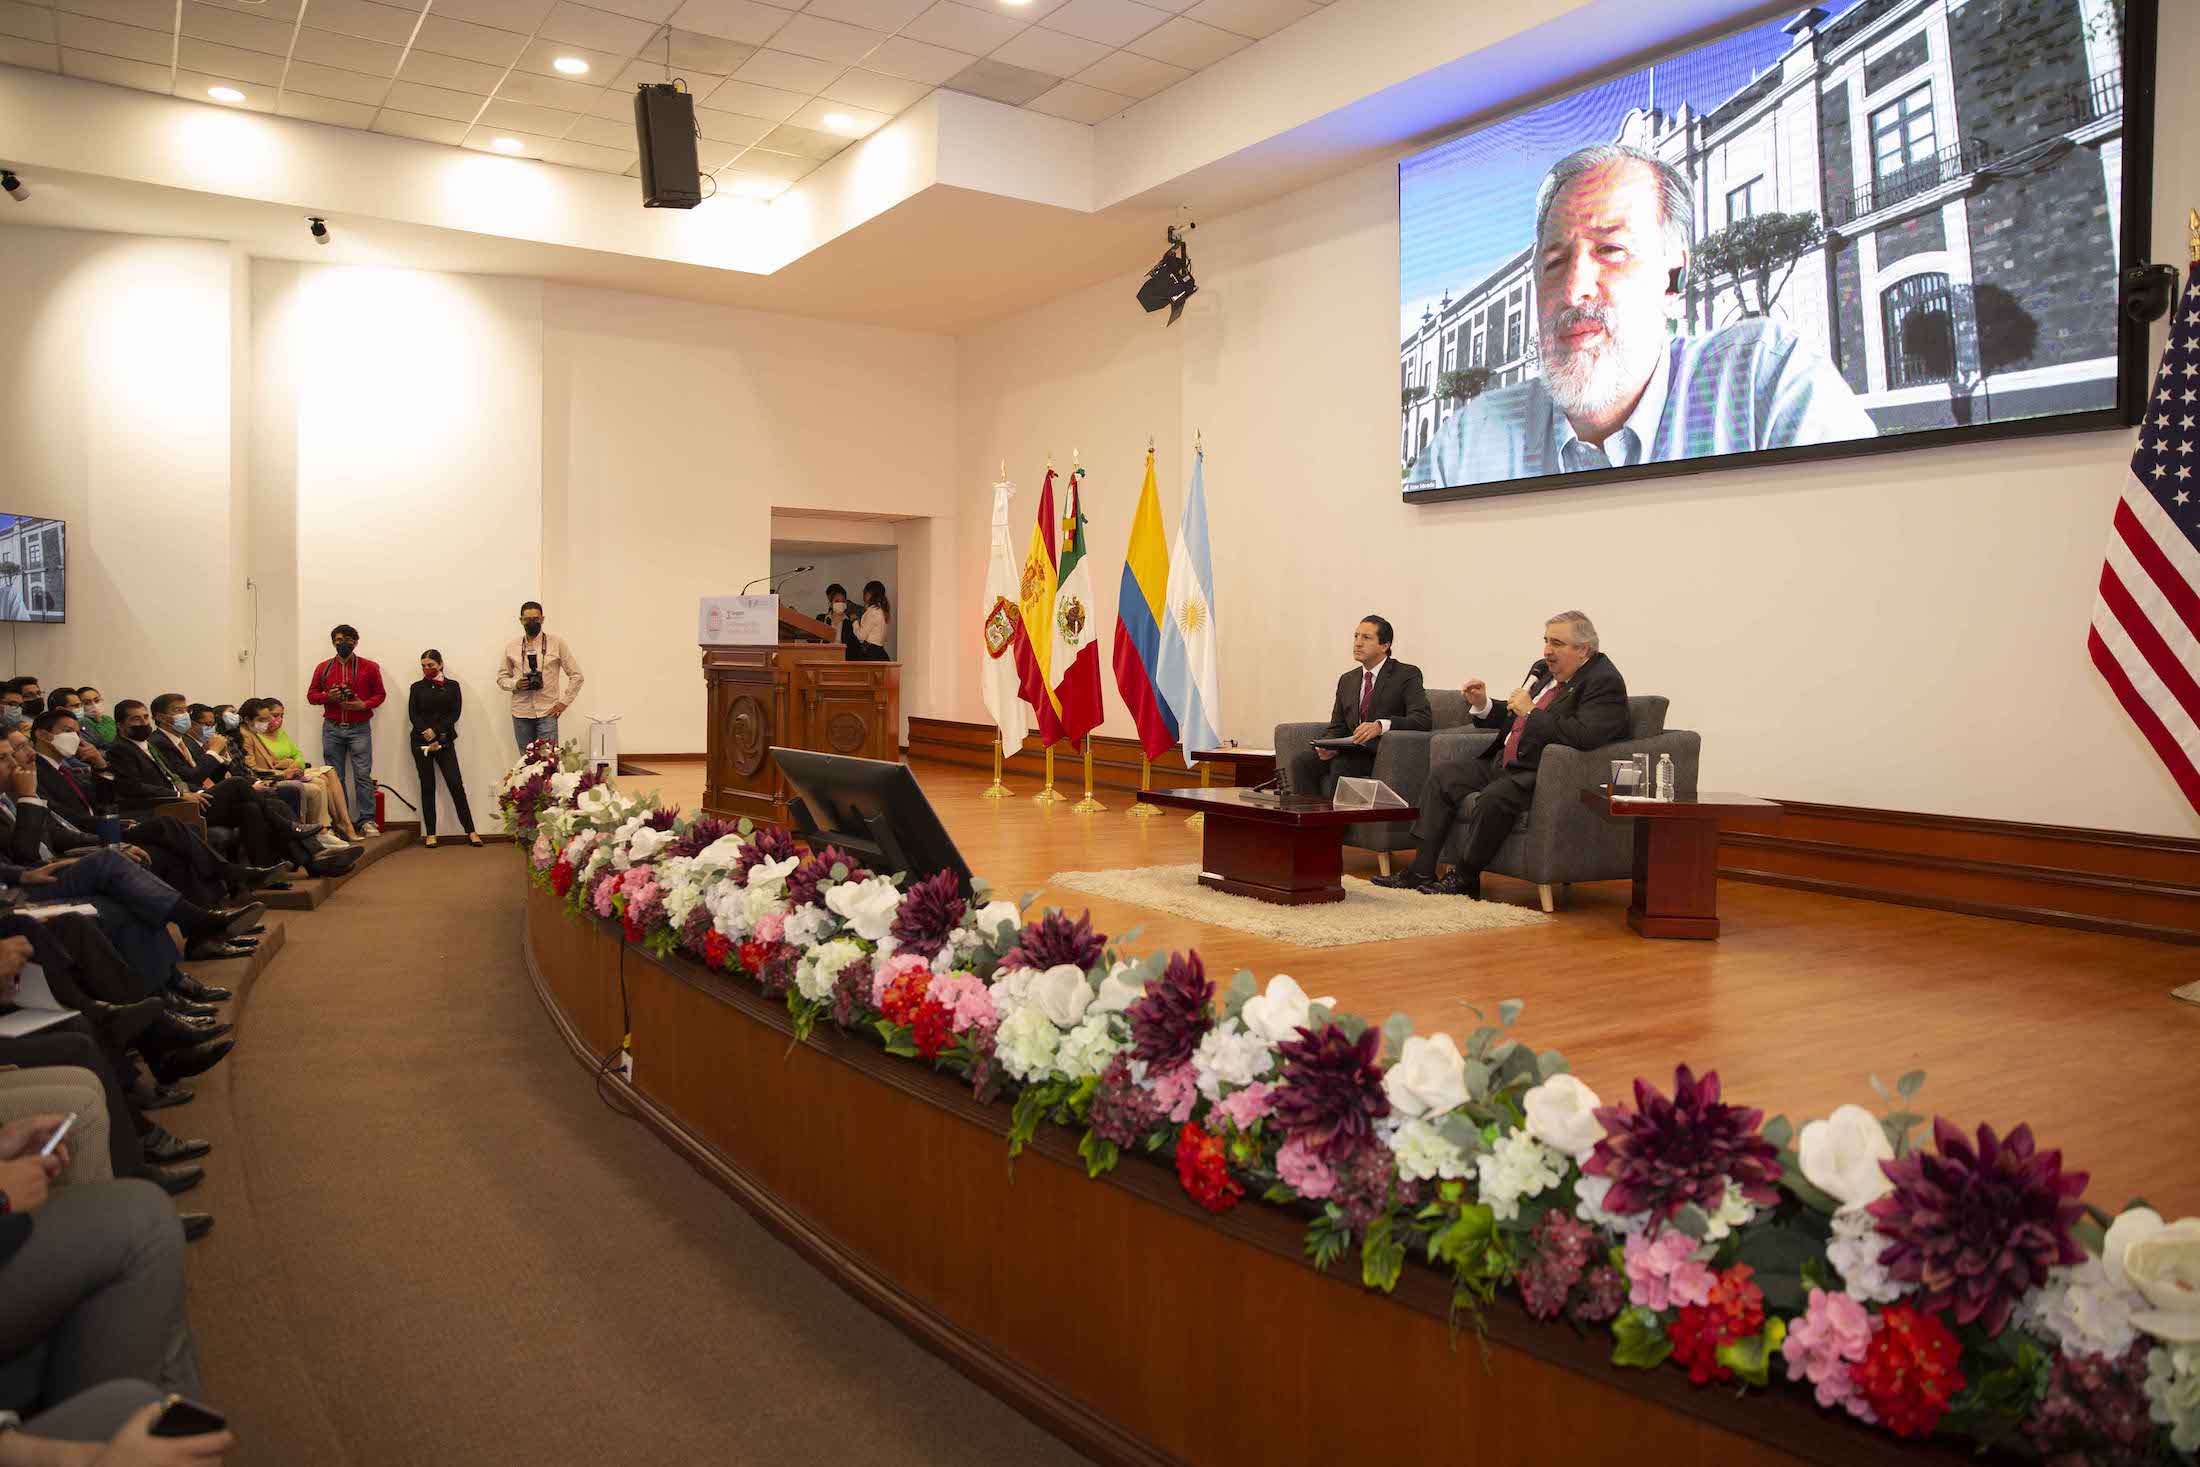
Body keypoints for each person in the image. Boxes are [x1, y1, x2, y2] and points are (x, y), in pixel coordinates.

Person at [1416, 144, 1877, 490]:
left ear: (1673, 278)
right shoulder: (1468, 441)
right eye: (1554, 261)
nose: (1574, 289)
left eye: (1611, 250)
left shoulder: (1766, 381)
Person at [1374, 611, 1629, 898]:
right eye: (1546, 641)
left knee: (1494, 798)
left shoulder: (1603, 681)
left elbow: (1584, 735)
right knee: (1444, 777)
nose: (1547, 651)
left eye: (1557, 643)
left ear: (1583, 649)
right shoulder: (1543, 670)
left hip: (1542, 771)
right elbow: (1516, 716)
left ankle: (1465, 879)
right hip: (1506, 761)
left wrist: (1531, 712)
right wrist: (1483, 705)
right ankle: (1419, 870)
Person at [1285, 616, 1433, 798]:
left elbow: (1422, 720)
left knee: (1343, 763)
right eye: (1356, 636)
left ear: (1385, 645)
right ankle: (1311, 824)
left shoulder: (1406, 674)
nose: (1358, 643)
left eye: (1366, 638)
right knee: (1302, 761)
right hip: (1350, 750)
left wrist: (1380, 726)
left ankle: (1337, 824)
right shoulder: (1348, 680)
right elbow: (1337, 726)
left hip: (1383, 752)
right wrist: (1327, 745)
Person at [236, 699, 356, 845]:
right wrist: (284, 772)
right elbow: (252, 769)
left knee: (324, 776)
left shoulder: (254, 732)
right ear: (248, 719)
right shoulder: (245, 735)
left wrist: (288, 763)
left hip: (283, 771)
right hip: (266, 778)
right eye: (263, 719)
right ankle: (320, 832)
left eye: (269, 719)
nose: (269, 722)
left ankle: (332, 827)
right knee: (315, 787)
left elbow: (290, 756)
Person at [307, 625, 385, 836]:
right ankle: (342, 821)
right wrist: (328, 697)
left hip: (359, 727)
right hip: (331, 728)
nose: (343, 643)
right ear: (333, 642)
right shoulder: (323, 668)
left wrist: (363, 704)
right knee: (335, 776)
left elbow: (380, 695)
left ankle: (368, 820)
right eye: (339, 639)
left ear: (356, 642)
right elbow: (311, 695)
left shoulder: (369, 667)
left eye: (348, 640)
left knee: (362, 775)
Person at [407, 651, 479, 849]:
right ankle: (431, 833)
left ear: (440, 664)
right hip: (420, 743)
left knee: (456, 785)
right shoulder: (416, 688)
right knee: (427, 786)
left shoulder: (453, 686)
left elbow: (454, 713)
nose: (426, 669)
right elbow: (414, 714)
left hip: (444, 741)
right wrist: (425, 732)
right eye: (423, 665)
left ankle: (471, 831)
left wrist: (436, 732)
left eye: (430, 664)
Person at [498, 600, 583, 753]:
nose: (531, 622)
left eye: (535, 619)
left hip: (548, 711)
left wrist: (564, 702)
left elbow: (576, 675)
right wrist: (516, 684)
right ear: (521, 620)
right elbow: (501, 678)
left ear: (542, 619)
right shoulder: (512, 646)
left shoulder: (556, 643)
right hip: (521, 712)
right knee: (526, 762)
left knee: (548, 762)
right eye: (527, 619)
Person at [850, 580, 892, 662]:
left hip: (871, 654)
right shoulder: (880, 610)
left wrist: (854, 621)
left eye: (864, 592)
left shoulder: (872, 611)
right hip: (878, 652)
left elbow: (861, 636)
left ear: (869, 594)